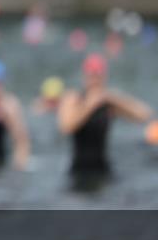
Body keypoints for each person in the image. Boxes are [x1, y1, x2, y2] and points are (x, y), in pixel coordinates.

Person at [57, 53, 151, 190]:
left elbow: (144, 115)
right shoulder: (74, 98)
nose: (95, 80)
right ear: (84, 77)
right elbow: (66, 127)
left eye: (98, 76)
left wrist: (113, 97)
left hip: (103, 169)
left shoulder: (108, 103)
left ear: (104, 77)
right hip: (78, 171)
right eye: (91, 76)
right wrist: (89, 105)